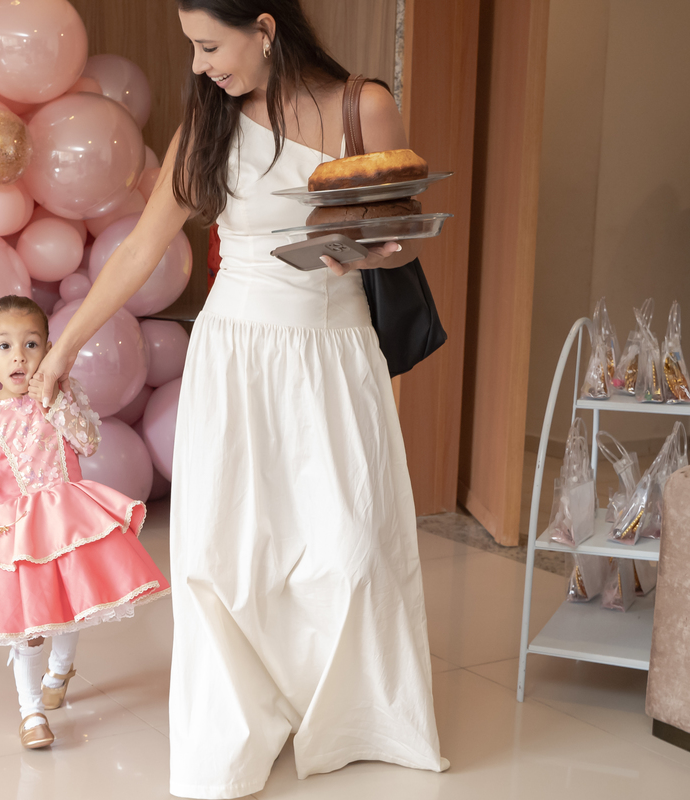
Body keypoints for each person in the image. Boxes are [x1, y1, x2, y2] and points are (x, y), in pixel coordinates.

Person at [30, 1, 446, 796]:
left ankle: (353, 718)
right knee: (228, 556)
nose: (199, 66)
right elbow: (139, 249)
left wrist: (374, 252)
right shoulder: (209, 123)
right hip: (236, 354)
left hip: (332, 350)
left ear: (264, 28)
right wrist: (66, 345)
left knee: (349, 544)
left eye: (209, 45)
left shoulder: (364, 105)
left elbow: (399, 231)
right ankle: (236, 727)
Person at [0, 295, 170, 750]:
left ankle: (60, 669)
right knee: (29, 622)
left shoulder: (61, 394)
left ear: (49, 349)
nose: (19, 356)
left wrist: (55, 399)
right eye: (5, 346)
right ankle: (31, 710)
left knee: (69, 606)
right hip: (17, 529)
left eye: (31, 344)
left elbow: (88, 442)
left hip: (66, 518)